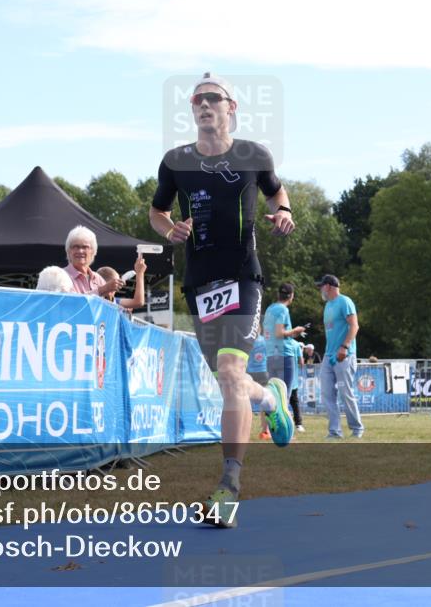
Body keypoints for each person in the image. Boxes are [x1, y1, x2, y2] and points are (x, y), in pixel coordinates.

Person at [148, 72, 296, 527]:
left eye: (214, 98)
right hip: (199, 283)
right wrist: (168, 229)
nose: (204, 104)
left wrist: (284, 212)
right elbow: (157, 211)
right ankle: (271, 399)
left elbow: (276, 193)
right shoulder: (175, 161)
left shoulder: (254, 154)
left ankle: (228, 487)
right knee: (231, 383)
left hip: (242, 277)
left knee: (231, 373)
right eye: (197, 99)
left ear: (232, 108)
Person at [316, 274, 364, 439]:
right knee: (327, 394)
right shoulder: (328, 306)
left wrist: (345, 347)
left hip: (344, 355)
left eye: (321, 286)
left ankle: (357, 428)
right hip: (329, 356)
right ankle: (334, 432)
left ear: (328, 286)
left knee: (345, 393)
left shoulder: (345, 301)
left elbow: (354, 326)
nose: (320, 290)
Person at [263, 283, 308, 400]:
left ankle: (270, 419)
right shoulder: (283, 310)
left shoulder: (269, 309)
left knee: (273, 395)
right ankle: (281, 418)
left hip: (270, 355)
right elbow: (279, 333)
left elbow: (269, 332)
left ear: (278, 294)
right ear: (291, 296)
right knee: (284, 396)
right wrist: (296, 330)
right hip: (284, 355)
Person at [64, 225, 122, 297]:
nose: (80, 251)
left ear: (93, 251)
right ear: (69, 251)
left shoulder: (98, 279)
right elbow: (72, 303)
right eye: (76, 247)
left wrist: (110, 294)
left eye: (85, 247)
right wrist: (102, 289)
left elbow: (109, 305)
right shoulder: (61, 277)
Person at [286, 336, 306, 432]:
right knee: (294, 402)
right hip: (292, 379)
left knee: (279, 402)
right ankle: (298, 424)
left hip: (279, 378)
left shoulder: (277, 342)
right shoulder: (295, 344)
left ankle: (281, 424)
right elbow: (301, 363)